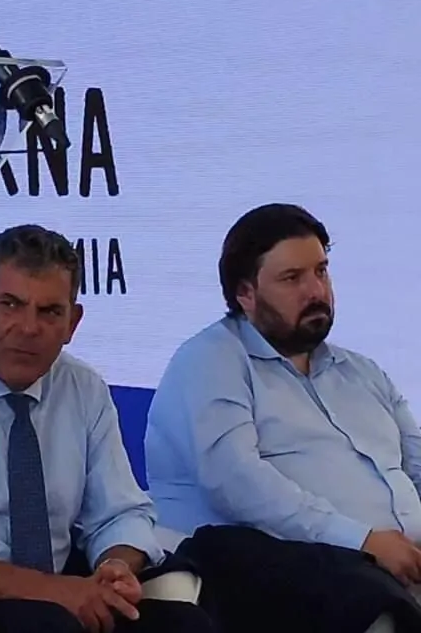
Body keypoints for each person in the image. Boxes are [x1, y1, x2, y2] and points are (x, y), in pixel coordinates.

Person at [0, 226, 214, 633]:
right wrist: (51, 590)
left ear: (73, 322)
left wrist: (115, 566)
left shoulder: (82, 388)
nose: (28, 327)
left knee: (185, 624)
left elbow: (119, 512)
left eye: (50, 311)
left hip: (64, 589)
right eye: (10, 305)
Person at [146, 204, 421, 632]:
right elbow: (237, 484)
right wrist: (364, 540)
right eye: (292, 278)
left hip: (398, 564)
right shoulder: (211, 361)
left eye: (321, 271)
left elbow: (416, 463)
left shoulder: (361, 372)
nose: (316, 291)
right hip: (289, 570)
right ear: (245, 293)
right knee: (374, 608)